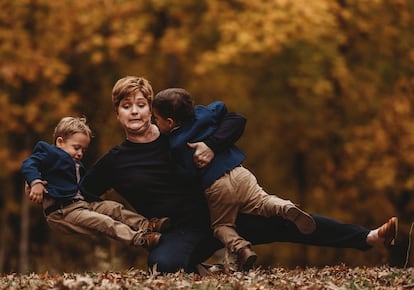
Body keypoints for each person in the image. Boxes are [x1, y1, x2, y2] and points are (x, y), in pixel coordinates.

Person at [81, 76, 398, 274]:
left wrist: (209, 145)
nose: (134, 111)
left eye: (140, 104)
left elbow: (232, 119)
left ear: (154, 110)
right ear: (117, 113)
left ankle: (368, 237)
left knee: (289, 219)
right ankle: (205, 268)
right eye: (126, 106)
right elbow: (84, 193)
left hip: (224, 211)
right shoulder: (114, 162)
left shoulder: (176, 131)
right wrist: (43, 175)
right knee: (160, 266)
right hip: (182, 232)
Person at [151, 88, 317, 271]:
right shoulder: (203, 113)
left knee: (221, 226)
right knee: (263, 201)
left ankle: (241, 247)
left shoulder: (175, 144)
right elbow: (220, 107)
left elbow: (186, 176)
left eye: (156, 119)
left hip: (217, 187)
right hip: (240, 173)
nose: (155, 123)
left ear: (169, 122)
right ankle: (285, 207)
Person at [21, 116, 171, 251]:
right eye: (76, 148)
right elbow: (29, 163)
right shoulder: (50, 154)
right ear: (60, 142)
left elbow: (83, 187)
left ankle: (147, 225)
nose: (80, 153)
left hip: (81, 205)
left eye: (83, 150)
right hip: (62, 212)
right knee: (104, 222)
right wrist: (35, 182)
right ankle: (140, 239)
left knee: (113, 208)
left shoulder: (77, 165)